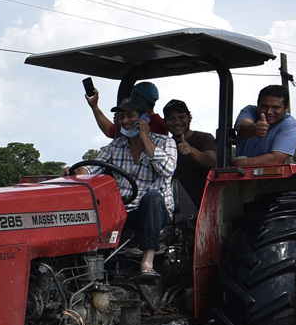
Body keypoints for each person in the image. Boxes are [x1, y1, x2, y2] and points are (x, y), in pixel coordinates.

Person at [92, 94, 177, 274]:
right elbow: (94, 168)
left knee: (152, 198)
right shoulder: (116, 146)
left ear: (144, 118)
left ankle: (147, 262)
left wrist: (146, 138)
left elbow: (167, 169)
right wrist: (75, 172)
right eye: (121, 117)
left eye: (130, 116)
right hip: (125, 212)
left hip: (156, 212)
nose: (125, 121)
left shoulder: (166, 142)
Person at [162, 98, 219, 217]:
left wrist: (192, 151)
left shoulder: (204, 138)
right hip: (170, 208)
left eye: (181, 117)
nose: (177, 122)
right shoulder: (162, 145)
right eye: (171, 119)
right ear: (165, 122)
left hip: (203, 208)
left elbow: (212, 162)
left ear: (189, 118)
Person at [235, 84, 296, 163]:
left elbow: (276, 160)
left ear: (286, 108)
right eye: (264, 107)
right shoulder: (250, 110)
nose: (269, 112)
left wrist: (239, 164)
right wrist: (254, 128)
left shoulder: (290, 125)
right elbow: (241, 126)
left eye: (276, 108)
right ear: (258, 105)